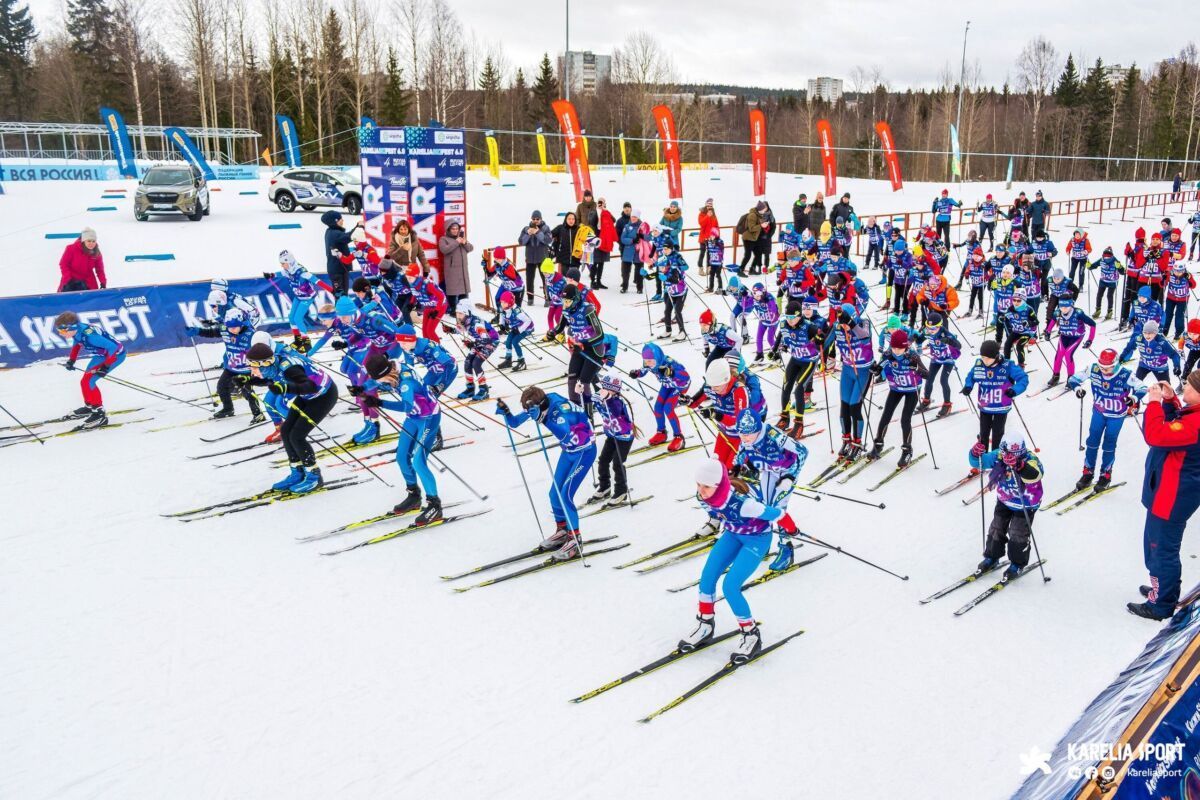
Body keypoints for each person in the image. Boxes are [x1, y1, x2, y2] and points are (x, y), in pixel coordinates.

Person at [680, 458, 802, 664]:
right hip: (733, 535)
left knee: (730, 587)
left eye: (706, 486)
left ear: (719, 485)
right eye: (699, 485)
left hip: (756, 540)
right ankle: (705, 624)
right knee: (707, 578)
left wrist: (792, 529)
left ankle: (751, 634)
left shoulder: (746, 505)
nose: (701, 491)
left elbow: (779, 514)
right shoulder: (702, 498)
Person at [497, 386, 597, 560]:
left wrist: (543, 420)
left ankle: (575, 539)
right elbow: (515, 423)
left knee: (565, 496)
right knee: (554, 494)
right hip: (569, 452)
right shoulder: (538, 404)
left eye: (532, 411)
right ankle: (563, 531)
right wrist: (506, 412)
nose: (530, 414)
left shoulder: (560, 411)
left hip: (584, 452)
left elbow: (565, 434)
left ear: (540, 406)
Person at [1130, 374, 1200, 619]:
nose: (1184, 388)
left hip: (1172, 496)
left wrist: (1154, 403)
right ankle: (1161, 588)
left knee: (1161, 550)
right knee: (1154, 546)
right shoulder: (1193, 415)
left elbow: (1157, 435)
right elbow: (1176, 426)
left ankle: (1161, 603)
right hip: (1165, 492)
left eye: (1189, 386)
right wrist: (1171, 402)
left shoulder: (1196, 423)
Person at [244, 341, 337, 494]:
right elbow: (267, 378)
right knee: (286, 430)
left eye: (253, 369)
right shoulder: (273, 365)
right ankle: (298, 472)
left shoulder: (290, 369)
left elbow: (309, 386)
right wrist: (247, 380)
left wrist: (286, 387)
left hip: (323, 396)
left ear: (264, 364)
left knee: (297, 436)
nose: (252, 372)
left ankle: (314, 476)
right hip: (308, 396)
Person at [361, 352, 444, 525]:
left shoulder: (406, 382)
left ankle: (435, 505)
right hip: (414, 417)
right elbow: (376, 380)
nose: (378, 382)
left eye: (379, 379)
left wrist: (379, 403)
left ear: (386, 374)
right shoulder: (391, 368)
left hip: (428, 418)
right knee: (401, 457)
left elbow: (406, 405)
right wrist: (361, 389)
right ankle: (414, 495)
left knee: (418, 462)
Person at [1067, 348, 1144, 493]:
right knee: (1092, 441)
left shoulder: (1125, 373)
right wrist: (1077, 388)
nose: (1104, 370)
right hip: (1099, 413)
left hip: (1116, 416)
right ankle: (1087, 473)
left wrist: (1133, 398)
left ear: (1115, 364)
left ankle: (1105, 475)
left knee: (1109, 443)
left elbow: (1142, 387)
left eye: (1108, 368)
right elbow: (1073, 379)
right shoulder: (1093, 368)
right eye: (1102, 367)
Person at [969, 436, 1044, 583]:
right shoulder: (998, 455)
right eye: (1007, 453)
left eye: (1015, 454)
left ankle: (1017, 563)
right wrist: (975, 454)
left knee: (1017, 532)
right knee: (996, 527)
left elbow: (1035, 475)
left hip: (1025, 503)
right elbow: (980, 462)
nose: (1009, 457)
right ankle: (992, 556)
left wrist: (1020, 465)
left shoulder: (1031, 458)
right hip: (1005, 499)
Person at [187, 309, 264, 421]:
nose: (231, 330)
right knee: (221, 387)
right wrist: (197, 331)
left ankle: (258, 414)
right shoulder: (225, 329)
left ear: (241, 324)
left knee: (246, 391)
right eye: (229, 327)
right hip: (231, 367)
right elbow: (212, 332)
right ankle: (228, 409)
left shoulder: (251, 334)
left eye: (235, 327)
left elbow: (259, 351)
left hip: (246, 369)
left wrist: (256, 367)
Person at [689, 358, 766, 469]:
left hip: (742, 438)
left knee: (731, 472)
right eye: (711, 385)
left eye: (717, 386)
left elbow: (740, 422)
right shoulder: (711, 386)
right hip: (725, 433)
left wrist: (716, 414)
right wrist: (687, 400)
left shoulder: (739, 390)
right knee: (717, 468)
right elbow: (694, 403)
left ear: (726, 380)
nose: (713, 389)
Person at [866, 329, 927, 466]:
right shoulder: (888, 355)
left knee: (905, 419)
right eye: (894, 347)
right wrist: (875, 370)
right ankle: (878, 445)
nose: (896, 351)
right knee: (885, 416)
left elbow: (927, 375)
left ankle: (907, 451)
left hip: (912, 390)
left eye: (900, 348)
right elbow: (880, 367)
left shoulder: (913, 356)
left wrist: (916, 369)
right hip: (896, 388)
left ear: (905, 346)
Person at [54, 311, 125, 428]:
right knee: (84, 381)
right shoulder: (77, 332)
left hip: (114, 356)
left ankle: (99, 415)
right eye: (59, 331)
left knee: (89, 381)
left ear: (72, 327)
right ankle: (90, 407)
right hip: (102, 355)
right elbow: (77, 344)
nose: (60, 334)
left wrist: (105, 367)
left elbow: (113, 347)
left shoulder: (91, 337)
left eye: (62, 331)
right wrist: (71, 360)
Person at [546, 283, 606, 419]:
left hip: (594, 349)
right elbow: (561, 326)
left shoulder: (588, 309)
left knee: (584, 381)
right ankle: (576, 408)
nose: (565, 304)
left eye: (568, 301)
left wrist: (584, 343)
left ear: (576, 299)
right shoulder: (566, 310)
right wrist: (553, 332)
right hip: (579, 347)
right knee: (572, 378)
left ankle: (588, 414)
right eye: (563, 301)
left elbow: (599, 333)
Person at [962, 338, 1029, 451]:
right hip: (985, 406)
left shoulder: (1007, 366)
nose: (985, 361)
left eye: (988, 358)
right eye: (983, 357)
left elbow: (1023, 378)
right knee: (984, 434)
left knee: (998, 434)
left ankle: (996, 459)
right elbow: (971, 376)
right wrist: (968, 386)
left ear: (996, 356)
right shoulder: (979, 365)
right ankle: (983, 459)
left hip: (1001, 407)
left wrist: (1014, 390)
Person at [263, 250, 334, 352]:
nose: (282, 266)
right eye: (281, 264)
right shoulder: (288, 270)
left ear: (290, 262)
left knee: (297, 318)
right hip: (298, 296)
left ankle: (306, 342)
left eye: (283, 263)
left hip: (307, 297)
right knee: (291, 317)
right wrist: (271, 275)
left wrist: (333, 290)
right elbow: (281, 273)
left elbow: (318, 281)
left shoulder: (302, 273)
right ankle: (298, 340)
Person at [831, 303, 874, 460]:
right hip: (848, 370)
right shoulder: (838, 327)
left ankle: (857, 443)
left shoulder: (864, 324)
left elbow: (865, 339)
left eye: (846, 322)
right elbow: (825, 341)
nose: (843, 325)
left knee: (854, 407)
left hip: (863, 370)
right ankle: (846, 439)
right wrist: (818, 339)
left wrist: (852, 324)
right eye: (841, 322)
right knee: (844, 407)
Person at [629, 342, 690, 452]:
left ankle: (678, 437)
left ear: (657, 357)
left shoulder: (669, 362)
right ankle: (661, 432)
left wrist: (671, 372)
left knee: (668, 408)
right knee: (657, 407)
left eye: (650, 361)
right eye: (646, 361)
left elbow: (686, 376)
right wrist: (637, 373)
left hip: (679, 386)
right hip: (667, 385)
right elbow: (644, 370)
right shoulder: (650, 363)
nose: (648, 364)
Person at [589, 372, 637, 506]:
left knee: (617, 463)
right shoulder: (600, 397)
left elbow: (615, 411)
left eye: (605, 388)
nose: (602, 390)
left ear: (613, 390)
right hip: (612, 435)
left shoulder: (617, 401)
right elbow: (587, 399)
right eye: (602, 387)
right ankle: (605, 487)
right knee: (603, 460)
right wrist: (581, 392)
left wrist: (608, 398)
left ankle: (621, 491)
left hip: (624, 437)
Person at [396, 323, 458, 404]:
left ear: (411, 339)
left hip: (448, 371)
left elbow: (450, 365)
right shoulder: (407, 347)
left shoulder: (428, 346)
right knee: (421, 392)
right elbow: (409, 366)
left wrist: (441, 385)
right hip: (433, 370)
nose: (401, 346)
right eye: (399, 343)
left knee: (429, 399)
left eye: (403, 343)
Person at [915, 311, 961, 417]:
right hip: (936, 359)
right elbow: (919, 341)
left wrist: (949, 341)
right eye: (929, 327)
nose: (931, 331)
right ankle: (926, 401)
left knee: (943, 380)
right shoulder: (927, 331)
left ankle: (947, 404)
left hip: (947, 359)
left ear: (940, 325)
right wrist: (916, 337)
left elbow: (958, 345)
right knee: (929, 378)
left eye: (934, 328)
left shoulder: (945, 333)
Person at [1043, 298, 1096, 387]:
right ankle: (1055, 376)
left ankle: (1071, 379)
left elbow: (1092, 324)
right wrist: (1048, 332)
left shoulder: (1078, 313)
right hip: (1064, 336)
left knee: (1068, 354)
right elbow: (1052, 322)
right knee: (1059, 354)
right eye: (1061, 307)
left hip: (1076, 337)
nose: (1063, 309)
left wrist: (1090, 340)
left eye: (1066, 307)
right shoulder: (1057, 313)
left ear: (1071, 305)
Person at [454, 308, 498, 400]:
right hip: (479, 341)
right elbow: (459, 329)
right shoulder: (464, 320)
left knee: (476, 363)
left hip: (491, 341)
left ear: (467, 314)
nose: (458, 316)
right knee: (468, 362)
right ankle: (470, 388)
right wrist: (449, 329)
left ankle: (484, 389)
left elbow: (487, 339)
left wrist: (473, 344)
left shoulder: (477, 324)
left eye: (460, 314)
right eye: (457, 313)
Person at [649, 239, 689, 342]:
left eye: (666, 249)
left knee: (677, 311)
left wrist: (678, 266)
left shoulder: (677, 256)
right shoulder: (663, 258)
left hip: (680, 289)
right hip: (669, 289)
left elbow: (685, 267)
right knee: (667, 311)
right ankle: (668, 330)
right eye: (663, 249)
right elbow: (657, 266)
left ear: (671, 248)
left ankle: (682, 332)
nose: (664, 251)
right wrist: (648, 271)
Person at [437, 221, 474, 315]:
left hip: (463, 269)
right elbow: (444, 250)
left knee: (464, 290)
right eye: (453, 229)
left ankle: (464, 309)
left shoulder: (461, 238)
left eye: (457, 229)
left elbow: (470, 249)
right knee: (452, 290)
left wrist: (464, 242)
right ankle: (453, 310)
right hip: (452, 270)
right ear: (449, 229)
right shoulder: (443, 239)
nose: (455, 230)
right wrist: (456, 242)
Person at [518, 210, 553, 306]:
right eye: (533, 219)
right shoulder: (526, 229)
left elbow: (548, 240)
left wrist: (538, 232)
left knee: (545, 279)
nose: (535, 220)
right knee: (529, 279)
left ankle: (548, 298)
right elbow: (521, 242)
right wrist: (528, 234)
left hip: (543, 258)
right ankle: (530, 298)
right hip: (530, 258)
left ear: (541, 219)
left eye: (537, 219)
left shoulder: (546, 228)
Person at [57, 226, 106, 291]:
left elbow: (99, 269)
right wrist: (68, 279)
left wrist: (103, 282)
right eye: (89, 241)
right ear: (83, 241)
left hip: (88, 282)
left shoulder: (96, 253)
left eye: (93, 241)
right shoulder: (71, 249)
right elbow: (63, 264)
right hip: (71, 280)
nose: (91, 243)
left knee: (90, 299)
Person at [495, 290, 534, 371]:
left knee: (515, 342)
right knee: (508, 341)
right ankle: (508, 360)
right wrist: (502, 324)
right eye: (501, 302)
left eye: (504, 302)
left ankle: (521, 361)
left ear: (510, 303)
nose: (502, 304)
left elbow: (528, 321)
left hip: (526, 328)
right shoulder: (503, 309)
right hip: (515, 328)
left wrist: (519, 330)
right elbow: (502, 316)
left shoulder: (517, 311)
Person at [321, 210, 355, 296]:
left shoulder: (331, 231)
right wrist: (359, 227)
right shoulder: (334, 233)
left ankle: (343, 309)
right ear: (335, 221)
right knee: (340, 296)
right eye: (340, 219)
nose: (343, 221)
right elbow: (348, 237)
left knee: (343, 295)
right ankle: (341, 309)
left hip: (339, 269)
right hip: (337, 271)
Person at [481, 247, 525, 311]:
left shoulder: (509, 265)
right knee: (498, 298)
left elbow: (512, 277)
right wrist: (485, 266)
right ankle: (500, 314)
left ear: (503, 258)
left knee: (515, 307)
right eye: (495, 258)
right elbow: (489, 274)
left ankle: (514, 318)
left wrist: (502, 270)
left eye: (498, 258)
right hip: (506, 285)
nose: (496, 260)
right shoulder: (497, 265)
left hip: (517, 288)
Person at [1087, 246, 1124, 321]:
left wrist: (1119, 267)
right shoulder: (1101, 260)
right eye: (1105, 255)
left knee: (1109, 296)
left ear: (1112, 255)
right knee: (1099, 295)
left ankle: (1110, 311)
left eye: (1109, 256)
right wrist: (1090, 266)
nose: (1107, 257)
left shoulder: (1115, 261)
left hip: (1112, 282)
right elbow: (1095, 265)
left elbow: (1122, 272)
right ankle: (1098, 310)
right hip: (1103, 281)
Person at [1164, 261, 1196, 339]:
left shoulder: (1187, 275)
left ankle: (1179, 333)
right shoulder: (1170, 274)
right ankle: (1164, 331)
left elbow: (1193, 285)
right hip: (1171, 298)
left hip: (1182, 299)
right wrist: (1163, 279)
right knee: (1167, 314)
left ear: (1184, 270)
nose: (1178, 273)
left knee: (1179, 316)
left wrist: (1189, 279)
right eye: (1176, 271)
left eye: (1180, 271)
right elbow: (1162, 284)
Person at [619, 208, 648, 294]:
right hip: (628, 251)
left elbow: (648, 237)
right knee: (625, 271)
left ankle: (639, 288)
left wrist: (643, 237)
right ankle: (624, 287)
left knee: (639, 271)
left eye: (635, 217)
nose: (633, 218)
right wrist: (632, 240)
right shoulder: (627, 227)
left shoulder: (642, 226)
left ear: (638, 217)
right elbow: (623, 239)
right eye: (632, 216)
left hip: (639, 252)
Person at [750, 282, 779, 362]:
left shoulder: (769, 297)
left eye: (759, 294)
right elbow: (744, 305)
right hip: (763, 321)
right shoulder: (753, 298)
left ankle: (776, 353)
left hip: (772, 321)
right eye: (755, 294)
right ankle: (759, 354)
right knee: (759, 337)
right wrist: (744, 296)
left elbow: (774, 310)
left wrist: (768, 303)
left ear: (763, 292)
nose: (757, 296)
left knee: (770, 339)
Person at [592, 197, 616, 289]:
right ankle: (592, 281)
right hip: (596, 240)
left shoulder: (606, 212)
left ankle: (599, 281)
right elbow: (592, 222)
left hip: (605, 240)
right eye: (599, 202)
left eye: (603, 202)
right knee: (595, 262)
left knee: (602, 262)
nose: (601, 204)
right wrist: (597, 210)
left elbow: (614, 220)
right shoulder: (593, 212)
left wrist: (605, 210)